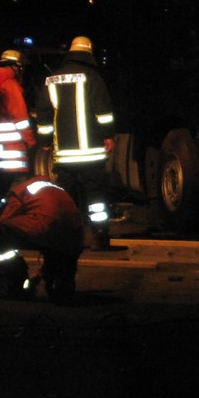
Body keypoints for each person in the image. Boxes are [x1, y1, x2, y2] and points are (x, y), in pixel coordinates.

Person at [33, 36, 116, 250]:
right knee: (95, 195)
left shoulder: (52, 79)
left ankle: (65, 237)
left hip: (64, 154)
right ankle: (100, 236)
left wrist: (45, 141)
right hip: (91, 152)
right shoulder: (92, 76)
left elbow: (43, 114)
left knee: (65, 196)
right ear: (89, 53)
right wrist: (108, 135)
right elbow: (103, 111)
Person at [0, 175, 85, 304]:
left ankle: (15, 279)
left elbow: (5, 221)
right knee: (57, 250)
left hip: (45, 226)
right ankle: (62, 284)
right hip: (76, 234)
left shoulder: (20, 190)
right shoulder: (55, 188)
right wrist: (40, 274)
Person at [0, 49, 37, 229]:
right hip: (10, 146)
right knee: (2, 187)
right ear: (15, 66)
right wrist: (31, 141)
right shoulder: (10, 85)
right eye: (20, 67)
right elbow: (20, 117)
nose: (22, 71)